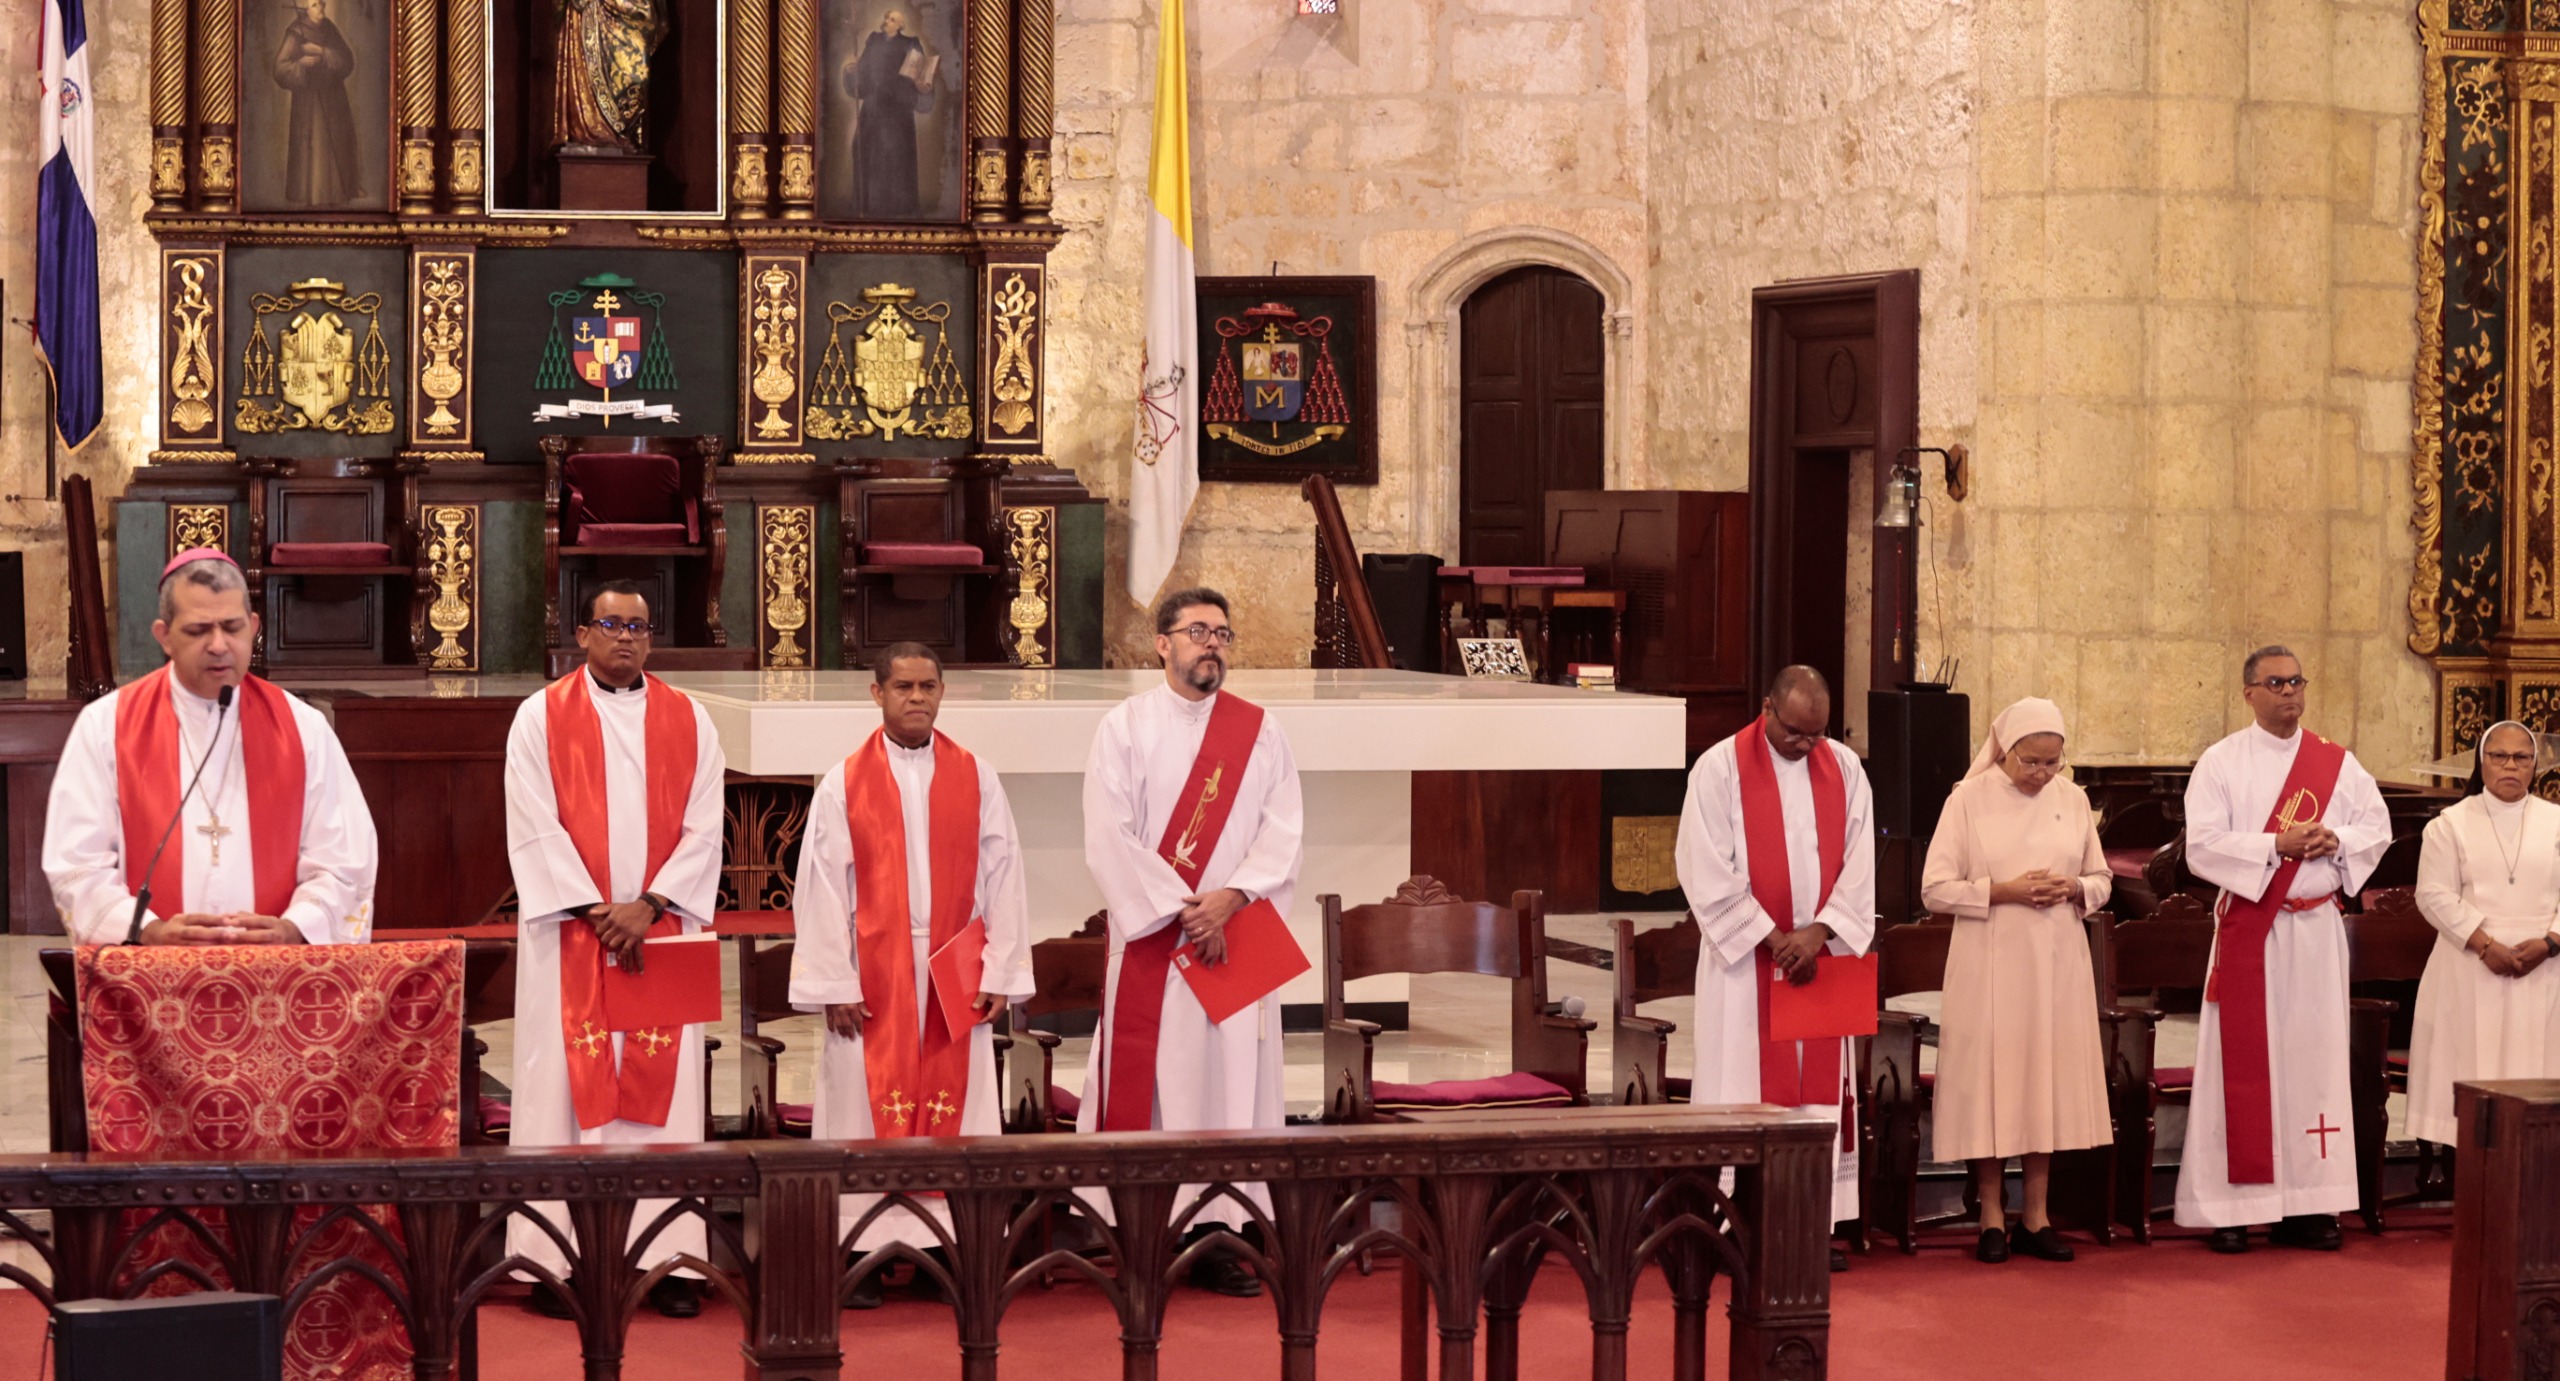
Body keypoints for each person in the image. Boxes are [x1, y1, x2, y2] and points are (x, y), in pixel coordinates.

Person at [502, 580, 725, 1317]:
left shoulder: (691, 718)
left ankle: (671, 1262)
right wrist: (600, 913)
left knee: (667, 1100)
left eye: (638, 626)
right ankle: (558, 1263)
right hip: (571, 932)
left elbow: (707, 826)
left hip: (661, 932)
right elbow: (534, 825)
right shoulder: (540, 716)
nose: (626, 636)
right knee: (563, 1095)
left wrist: (650, 906)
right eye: (611, 623)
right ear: (582, 633)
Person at [790, 642, 1031, 1307]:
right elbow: (820, 887)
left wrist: (1001, 967)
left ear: (942, 691)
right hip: (871, 972)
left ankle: (941, 1249)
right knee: (860, 1107)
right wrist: (833, 981)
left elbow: (1005, 874)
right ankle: (862, 1250)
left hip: (954, 968)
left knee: (960, 1108)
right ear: (878, 694)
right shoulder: (844, 782)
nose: (917, 697)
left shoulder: (976, 775)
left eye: (928, 686)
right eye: (903, 687)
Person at [1081, 587, 1302, 1298]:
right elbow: (1108, 834)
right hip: (1156, 941)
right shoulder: (1124, 727)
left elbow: (1283, 831)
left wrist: (1231, 898)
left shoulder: (1260, 731)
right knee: (1156, 1089)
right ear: (1162, 643)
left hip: (1233, 939)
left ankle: (1220, 1234)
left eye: (1222, 633)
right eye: (1199, 631)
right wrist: (1184, 911)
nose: (1213, 644)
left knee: (1230, 1090)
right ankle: (1145, 1233)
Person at [44, 548, 377, 946]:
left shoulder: (304, 728)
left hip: (276, 971)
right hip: (151, 973)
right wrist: (147, 930)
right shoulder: (106, 727)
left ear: (254, 627)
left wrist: (295, 928)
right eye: (198, 630)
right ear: (164, 636)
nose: (219, 645)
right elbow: (77, 865)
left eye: (232, 628)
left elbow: (345, 861)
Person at [2174, 645, 2389, 1252]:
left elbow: (2376, 828)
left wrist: (2335, 839)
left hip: (2316, 931)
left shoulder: (2337, 763)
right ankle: (2232, 1207)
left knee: (2313, 1065)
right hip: (2251, 930)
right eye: (2275, 683)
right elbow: (2202, 846)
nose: (2290, 691)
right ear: (2249, 693)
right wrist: (2276, 846)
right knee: (2242, 1066)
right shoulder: (2221, 762)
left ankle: (2309, 1206)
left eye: (2296, 681)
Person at [1674, 664, 1874, 1273]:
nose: (1806, 744)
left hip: (1819, 964)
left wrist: (1818, 932)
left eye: (1816, 733)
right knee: (1744, 1089)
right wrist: (1773, 938)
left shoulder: (1845, 769)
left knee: (1815, 1102)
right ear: (1767, 708)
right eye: (1794, 732)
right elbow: (1705, 868)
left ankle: (1808, 1227)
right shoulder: (1719, 769)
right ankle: (1741, 1225)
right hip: (1744, 971)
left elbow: (1860, 861)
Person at [1920, 697, 2112, 1265]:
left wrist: (2074, 888)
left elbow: (2102, 878)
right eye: (2031, 762)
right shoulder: (1967, 799)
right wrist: (2003, 891)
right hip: (1989, 959)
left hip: (2056, 961)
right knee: (1992, 1082)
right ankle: (1989, 1216)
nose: (2042, 774)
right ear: (2004, 750)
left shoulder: (2072, 799)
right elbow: (1934, 889)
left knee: (2041, 1081)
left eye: (2053, 763)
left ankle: (2037, 1215)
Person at [2407, 720, 2560, 1148]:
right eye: (2499, 756)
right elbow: (2433, 895)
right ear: (2482, 761)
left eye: (2521, 757)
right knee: (2470, 1068)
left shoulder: (2556, 821)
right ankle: (2467, 1170)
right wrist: (2486, 945)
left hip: (2547, 967)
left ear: (2535, 766)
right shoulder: (2450, 824)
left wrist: (2550, 943)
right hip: (2469, 963)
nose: (2510, 765)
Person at [844, 9, 935, 218]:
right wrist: (852, 72)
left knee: (894, 156)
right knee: (863, 149)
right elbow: (863, 71)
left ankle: (898, 209)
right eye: (886, 17)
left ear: (900, 26)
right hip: (873, 108)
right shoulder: (874, 40)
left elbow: (920, 75)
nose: (887, 21)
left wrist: (922, 86)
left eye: (892, 20)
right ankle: (867, 206)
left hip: (898, 111)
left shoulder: (910, 44)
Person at [272, 0, 361, 207]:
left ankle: (342, 191)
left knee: (338, 141)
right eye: (315, 5)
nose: (321, 8)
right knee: (315, 144)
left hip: (334, 97)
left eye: (321, 4)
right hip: (309, 101)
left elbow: (347, 61)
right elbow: (280, 69)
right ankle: (313, 195)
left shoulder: (329, 28)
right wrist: (301, 64)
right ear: (305, 9)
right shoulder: (295, 32)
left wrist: (322, 52)